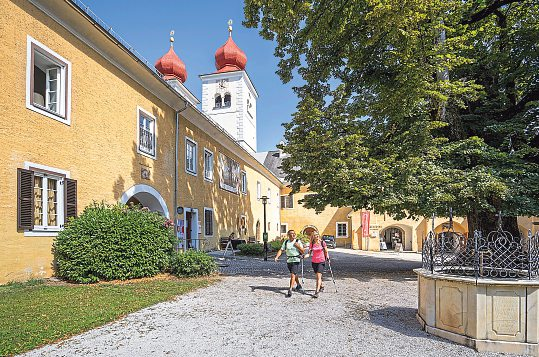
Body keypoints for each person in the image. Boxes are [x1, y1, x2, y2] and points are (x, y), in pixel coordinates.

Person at [274, 229, 305, 297]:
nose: (293, 234)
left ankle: (290, 289)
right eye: (291, 233)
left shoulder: (297, 241)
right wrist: (277, 257)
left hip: (296, 259)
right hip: (289, 260)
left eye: (294, 233)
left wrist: (298, 246)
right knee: (294, 273)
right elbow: (281, 250)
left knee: (292, 275)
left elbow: (303, 251)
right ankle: (298, 285)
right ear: (288, 235)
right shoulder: (286, 242)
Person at [305, 232, 329, 298]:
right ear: (313, 237)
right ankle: (321, 286)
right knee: (318, 276)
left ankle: (316, 292)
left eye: (317, 235)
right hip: (314, 262)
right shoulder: (312, 244)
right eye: (315, 235)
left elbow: (326, 251)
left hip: (321, 261)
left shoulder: (322, 243)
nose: (317, 236)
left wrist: (327, 257)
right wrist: (304, 256)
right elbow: (309, 254)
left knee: (318, 276)